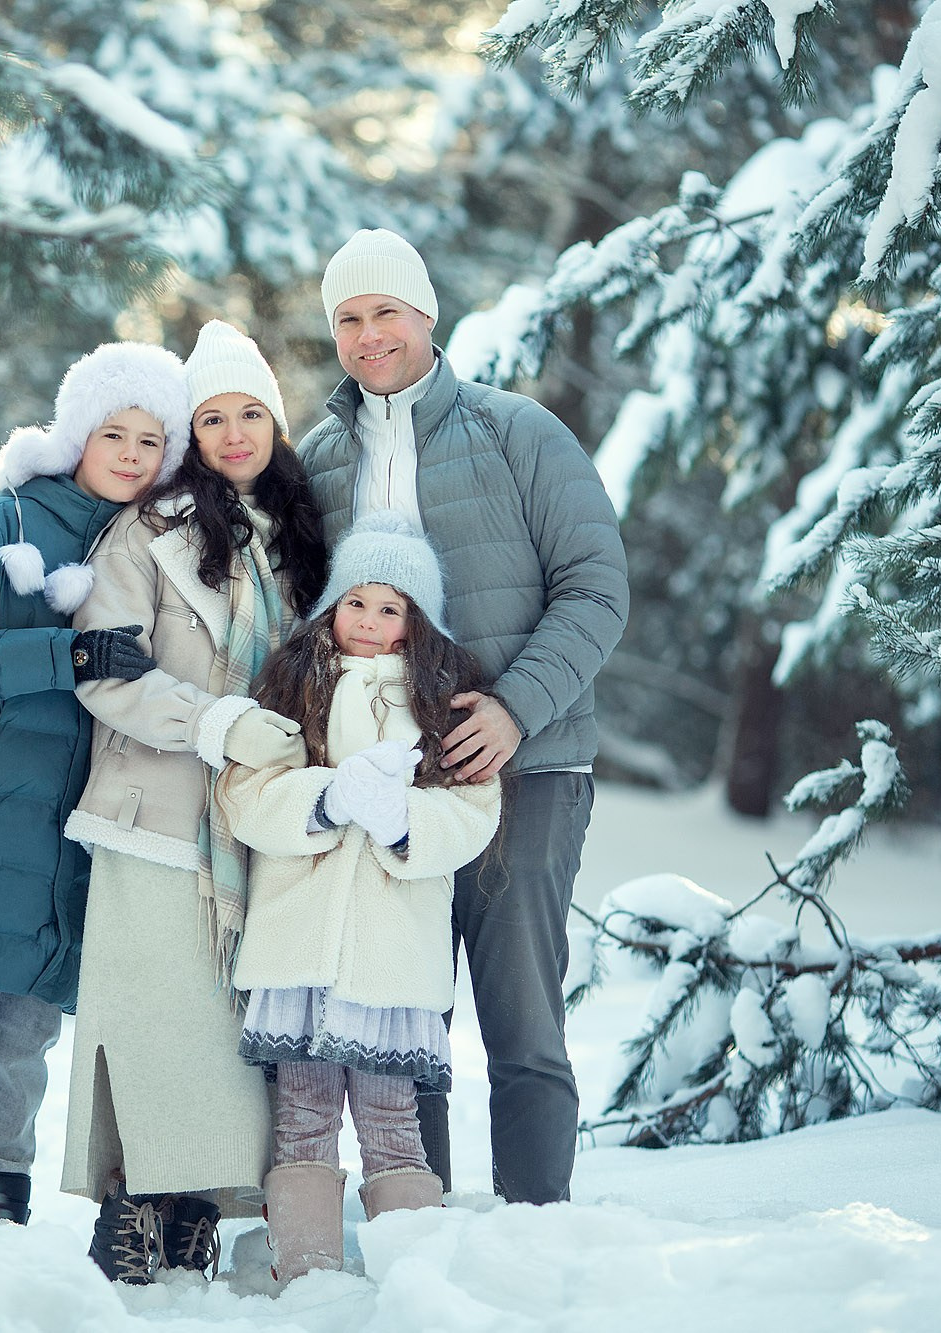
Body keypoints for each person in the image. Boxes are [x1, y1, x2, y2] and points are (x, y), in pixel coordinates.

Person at [296, 228, 629, 1205]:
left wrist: (516, 709)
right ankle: (421, 1227)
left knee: (521, 1020)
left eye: (383, 313)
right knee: (406, 1021)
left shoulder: (515, 431)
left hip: (523, 772)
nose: (367, 336)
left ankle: (535, 1230)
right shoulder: (317, 462)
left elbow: (595, 587)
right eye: (348, 320)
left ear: (424, 314)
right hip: (395, 787)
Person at [0, 342, 192, 1226]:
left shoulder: (150, 544)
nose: (130, 454)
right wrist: (68, 653)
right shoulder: (3, 524)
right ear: (76, 435)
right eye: (113, 433)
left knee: (26, 1030)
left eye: (150, 439)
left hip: (65, 837)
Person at [59, 320, 329, 1283]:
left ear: (275, 422)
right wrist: (217, 725)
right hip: (153, 810)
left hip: (255, 822)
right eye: (211, 417)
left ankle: (198, 1205)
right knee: (152, 1022)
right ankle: (130, 1206)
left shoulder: (300, 540)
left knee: (223, 1033)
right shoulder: (148, 531)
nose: (234, 432)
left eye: (250, 412)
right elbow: (109, 672)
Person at [218, 512, 502, 1283]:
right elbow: (245, 796)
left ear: (418, 623)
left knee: (390, 1117)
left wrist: (402, 816)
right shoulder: (290, 683)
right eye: (358, 602)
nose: (371, 622)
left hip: (388, 956)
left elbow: (475, 814)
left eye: (393, 607)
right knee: (302, 1116)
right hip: (299, 948)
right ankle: (305, 1274)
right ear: (331, 606)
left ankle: (415, 1273)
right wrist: (328, 797)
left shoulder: (442, 703)